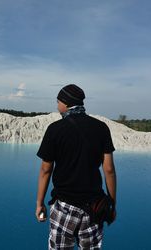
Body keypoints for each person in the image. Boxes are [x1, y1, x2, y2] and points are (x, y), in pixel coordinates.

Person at [35, 84, 117, 249]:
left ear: (65, 103)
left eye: (58, 101)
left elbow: (46, 170)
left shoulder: (55, 129)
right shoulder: (101, 128)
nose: (57, 105)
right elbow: (109, 170)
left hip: (64, 205)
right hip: (94, 207)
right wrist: (112, 205)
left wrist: (39, 203)